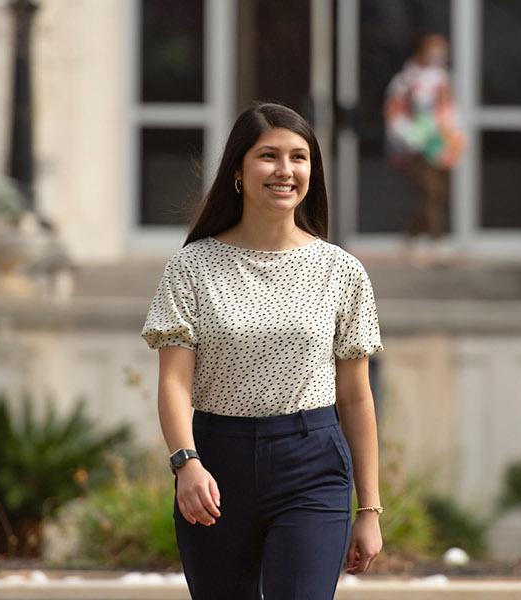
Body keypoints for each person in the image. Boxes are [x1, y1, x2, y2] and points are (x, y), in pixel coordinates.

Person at [140, 101, 385, 599]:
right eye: (268, 156)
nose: (285, 170)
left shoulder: (342, 272)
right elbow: (173, 382)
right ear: (237, 170)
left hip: (312, 463)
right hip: (215, 466)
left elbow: (356, 398)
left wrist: (370, 509)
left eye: (299, 157)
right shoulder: (193, 267)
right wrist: (185, 462)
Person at [383, 32, 466, 267]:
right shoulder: (406, 81)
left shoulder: (442, 79)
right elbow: (394, 112)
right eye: (434, 49)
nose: (438, 54)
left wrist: (454, 137)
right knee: (429, 192)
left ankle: (410, 236)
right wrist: (408, 137)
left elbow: (450, 110)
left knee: (437, 194)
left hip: (439, 145)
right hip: (417, 146)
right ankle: (437, 241)